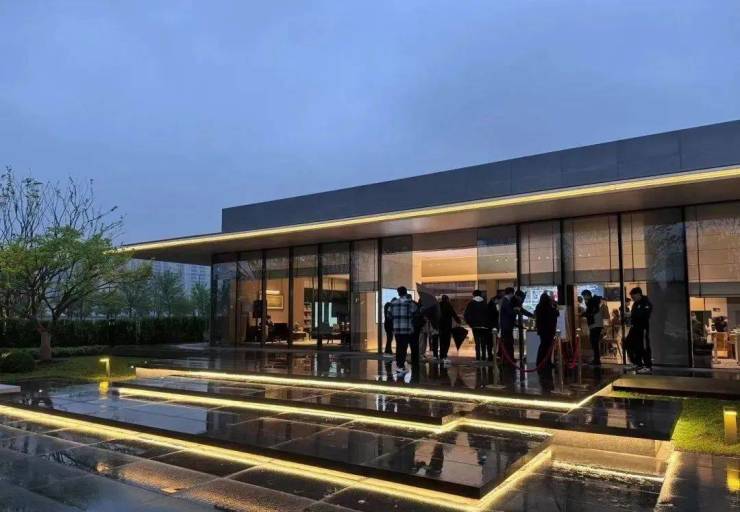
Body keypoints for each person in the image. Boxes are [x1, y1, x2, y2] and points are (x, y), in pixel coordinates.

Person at [390, 286, 420, 375]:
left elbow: (389, 315)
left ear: (398, 293)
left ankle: (399, 364)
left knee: (399, 347)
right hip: (406, 329)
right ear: (406, 292)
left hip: (397, 329)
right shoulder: (410, 303)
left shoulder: (393, 303)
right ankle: (401, 366)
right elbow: (416, 311)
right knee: (403, 348)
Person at [626, 287, 653, 373]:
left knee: (643, 346)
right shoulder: (635, 304)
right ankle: (637, 363)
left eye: (633, 297)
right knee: (629, 343)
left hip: (642, 328)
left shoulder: (646, 303)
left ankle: (647, 366)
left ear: (638, 294)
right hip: (634, 327)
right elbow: (634, 314)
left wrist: (632, 315)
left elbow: (644, 315)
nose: (632, 299)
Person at [464, 290, 494, 362]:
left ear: (473, 295)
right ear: (480, 295)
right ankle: (483, 357)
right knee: (483, 342)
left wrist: (470, 324)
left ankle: (478, 357)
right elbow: (489, 315)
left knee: (477, 342)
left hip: (475, 326)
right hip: (484, 326)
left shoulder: (471, 303)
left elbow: (466, 315)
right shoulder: (485, 303)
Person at [581, 290, 608, 366]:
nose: (584, 298)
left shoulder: (592, 302)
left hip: (595, 325)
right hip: (596, 325)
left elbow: (591, 312)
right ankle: (596, 360)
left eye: (584, 296)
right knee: (594, 343)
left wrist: (583, 314)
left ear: (587, 295)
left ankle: (597, 360)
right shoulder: (594, 301)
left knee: (594, 343)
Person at [534, 292, 559, 368]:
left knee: (543, 346)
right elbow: (556, 314)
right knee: (547, 347)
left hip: (542, 330)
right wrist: (555, 306)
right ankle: (547, 362)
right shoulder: (548, 307)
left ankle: (540, 362)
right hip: (549, 330)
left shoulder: (538, 307)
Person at [438, 294, 460, 363]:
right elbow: (454, 314)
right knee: (447, 341)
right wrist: (458, 321)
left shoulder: (438, 305)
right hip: (447, 326)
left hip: (440, 326)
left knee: (441, 341)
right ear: (447, 299)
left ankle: (441, 355)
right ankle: (445, 355)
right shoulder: (449, 305)